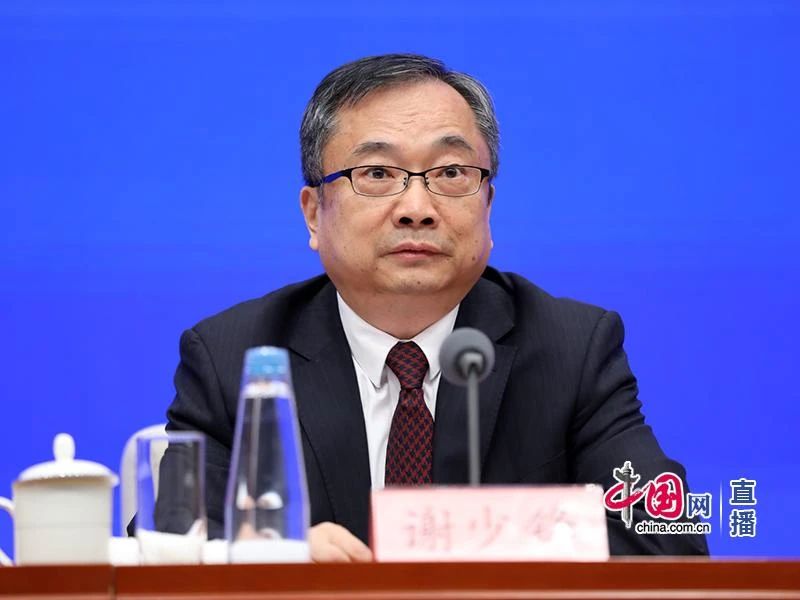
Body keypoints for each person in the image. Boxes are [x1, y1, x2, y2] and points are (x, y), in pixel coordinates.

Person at [164, 53, 708, 560]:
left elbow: (669, 540)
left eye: (450, 173)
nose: (417, 208)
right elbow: (169, 545)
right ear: (313, 213)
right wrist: (276, 556)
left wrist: (477, 544)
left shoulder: (572, 348)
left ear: (487, 203)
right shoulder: (235, 357)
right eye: (377, 174)